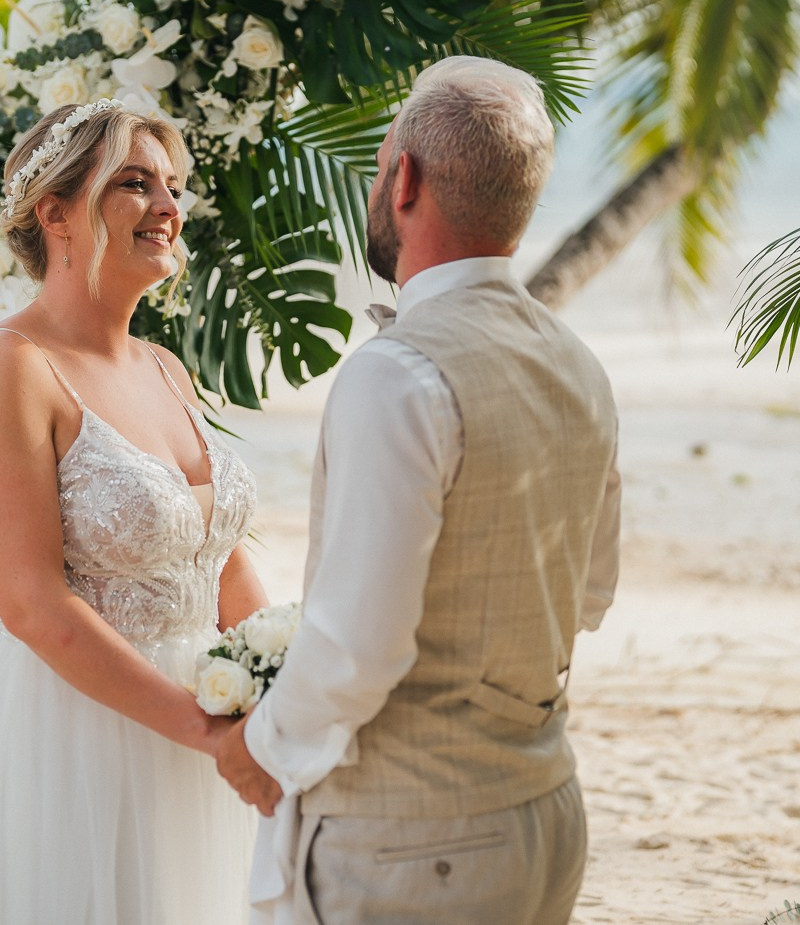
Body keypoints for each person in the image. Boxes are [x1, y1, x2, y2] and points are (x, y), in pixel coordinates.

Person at [216, 56, 624, 925]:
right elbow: (588, 593)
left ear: (404, 177)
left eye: (377, 164)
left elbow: (359, 645)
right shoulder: (577, 364)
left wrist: (266, 746)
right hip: (545, 817)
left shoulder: (397, 374)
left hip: (413, 848)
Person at [0, 99, 264, 924]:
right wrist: (205, 730)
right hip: (71, 741)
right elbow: (33, 604)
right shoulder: (6, 371)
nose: (171, 208)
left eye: (173, 186)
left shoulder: (167, 368)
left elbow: (222, 560)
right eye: (136, 184)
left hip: (201, 739)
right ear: (56, 212)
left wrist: (277, 690)